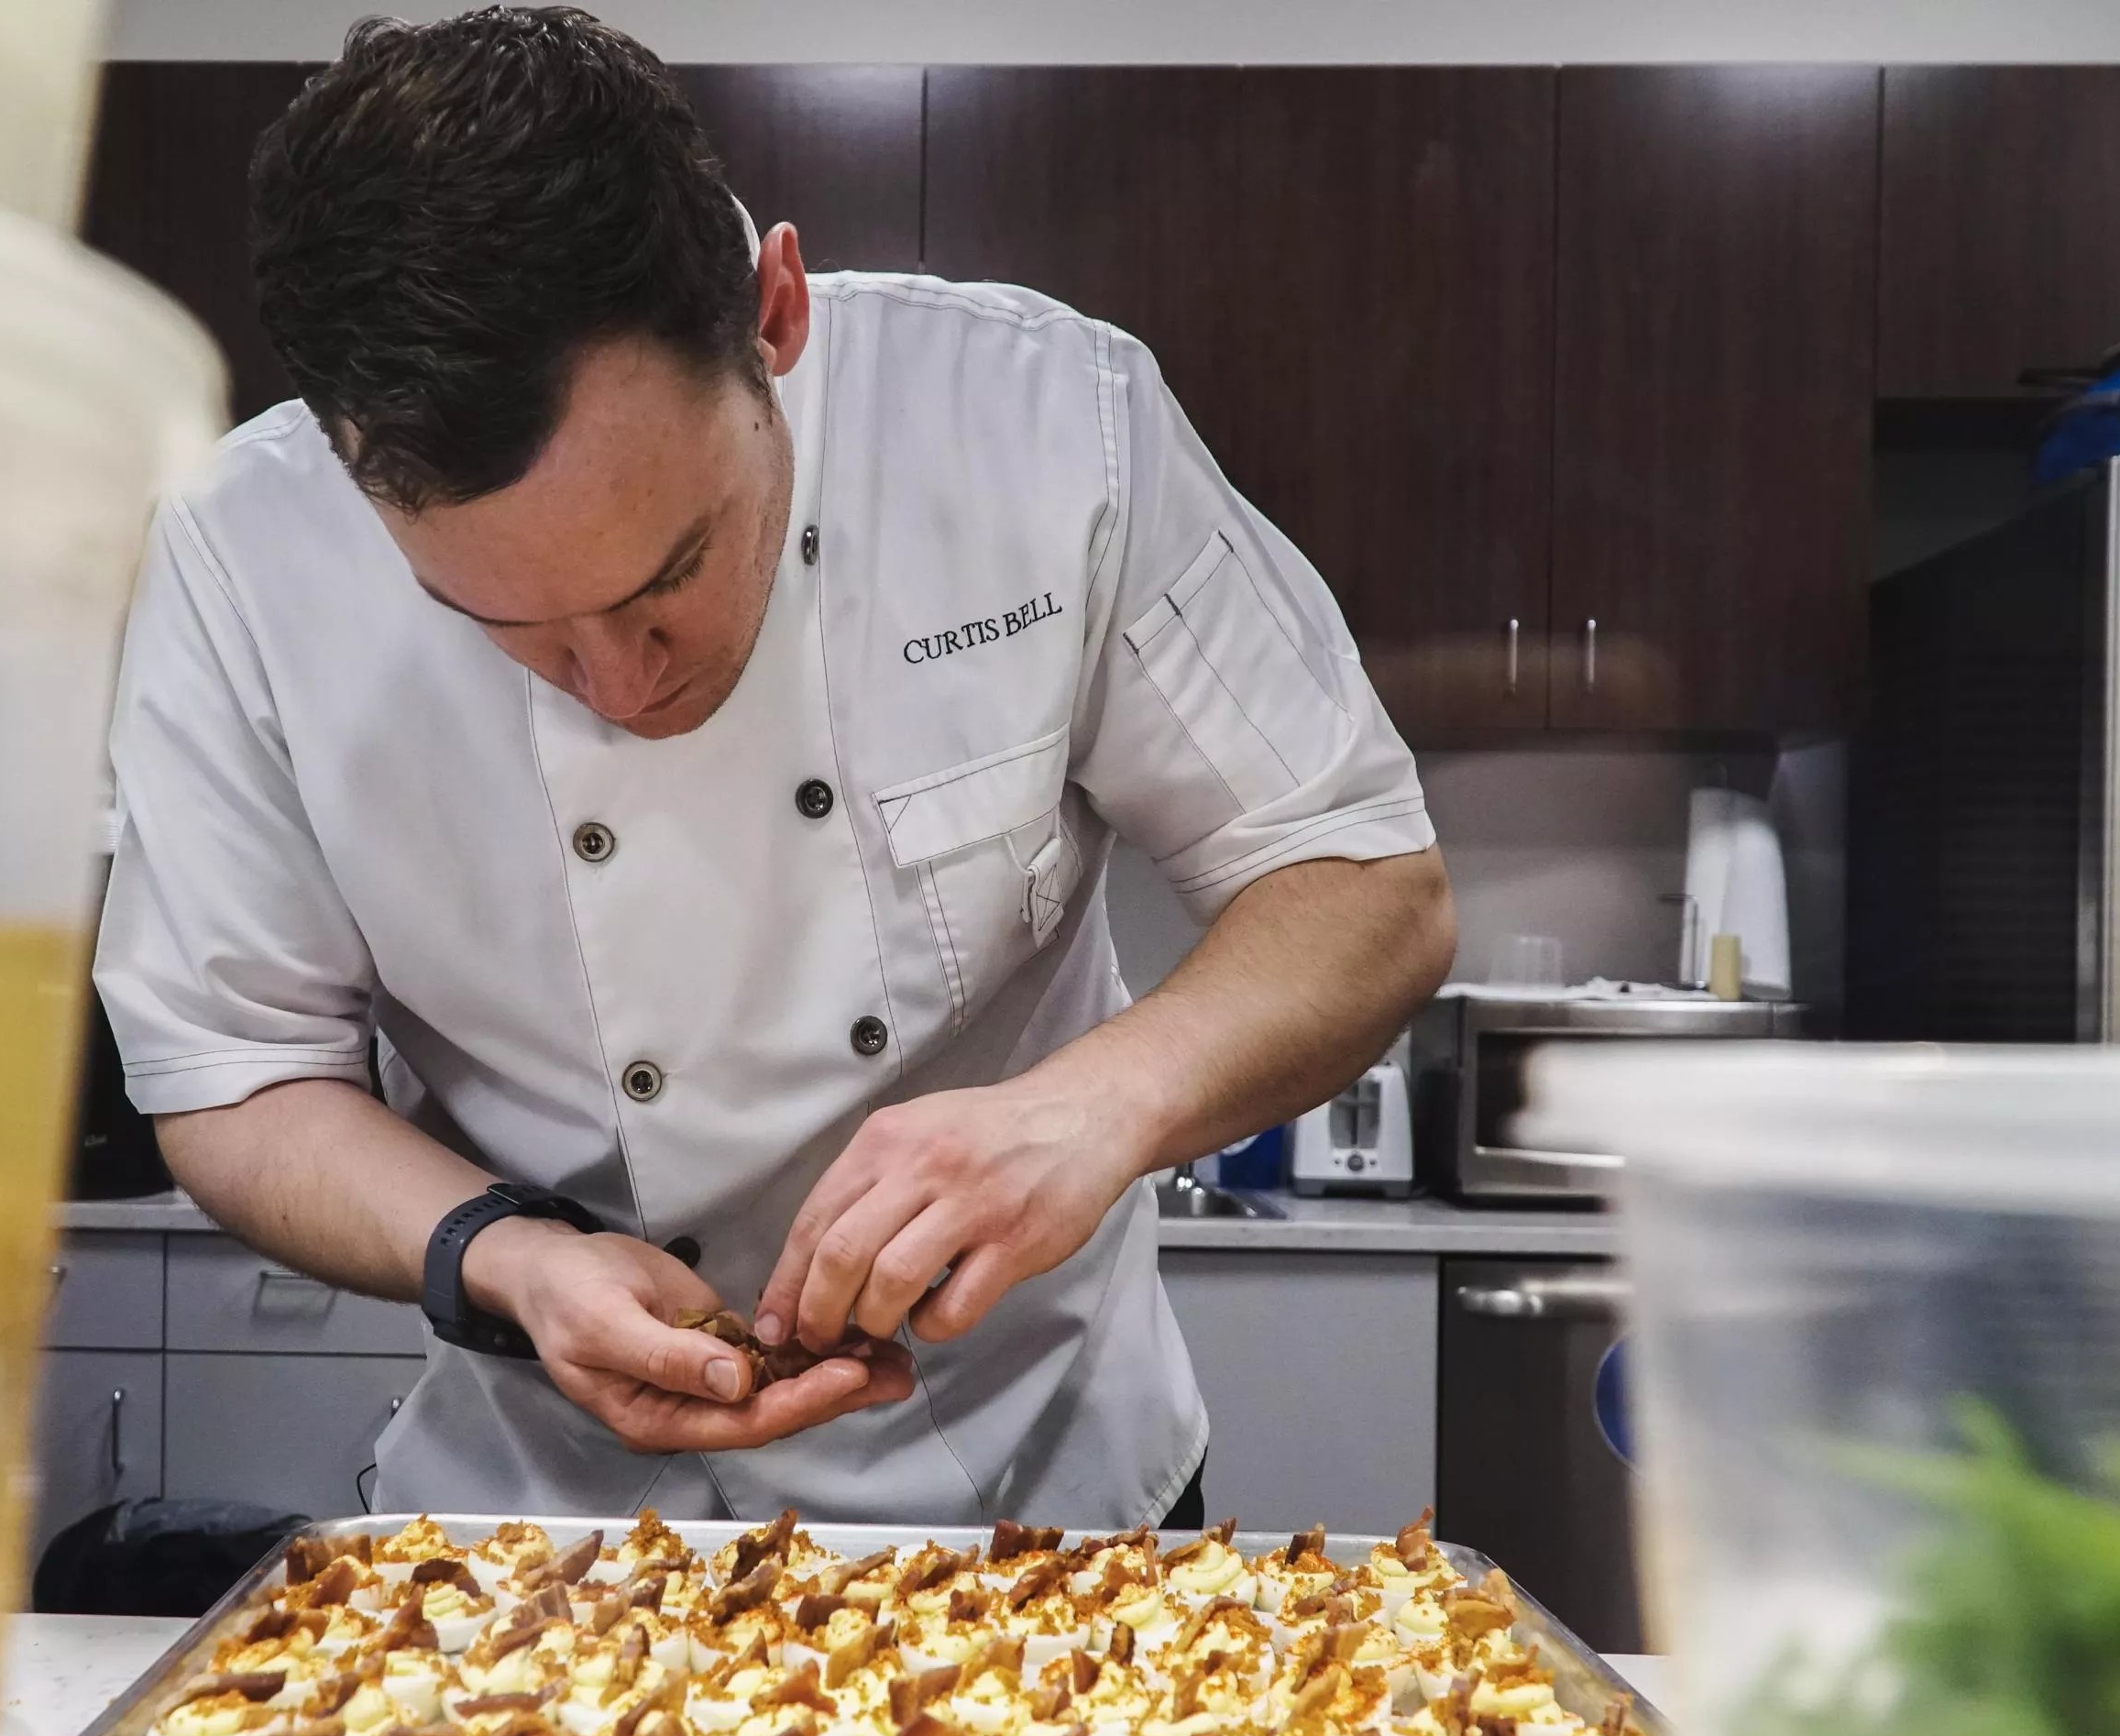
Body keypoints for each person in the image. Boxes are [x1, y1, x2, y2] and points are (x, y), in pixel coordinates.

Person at [93, 6, 1455, 1528]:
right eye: (505, 627)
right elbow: (233, 1075)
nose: (620, 685)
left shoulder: (1043, 428)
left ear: (773, 316)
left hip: (1049, 1503)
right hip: (542, 1531)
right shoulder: (239, 558)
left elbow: (1363, 883)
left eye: (669, 572)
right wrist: (501, 1255)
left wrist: (1094, 1109)